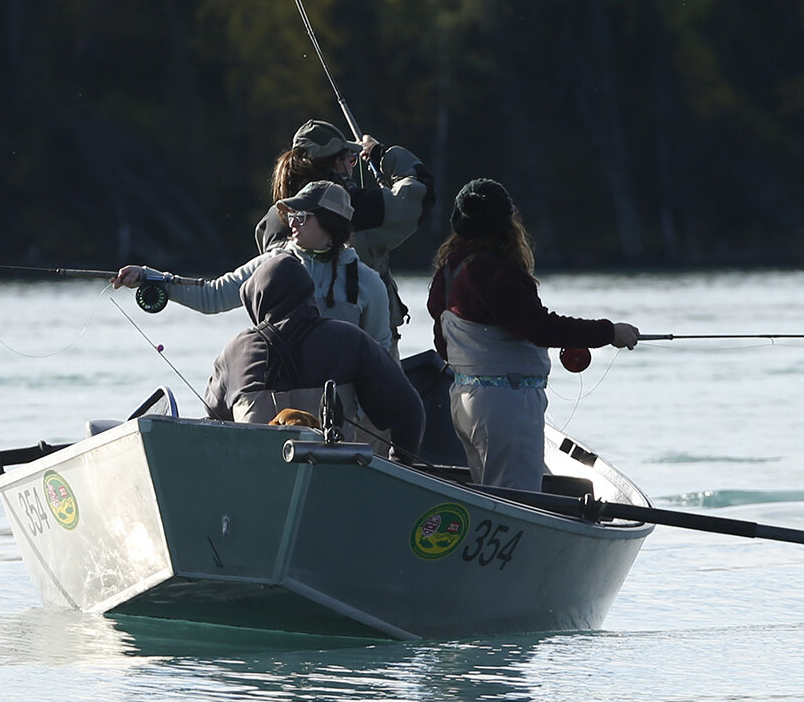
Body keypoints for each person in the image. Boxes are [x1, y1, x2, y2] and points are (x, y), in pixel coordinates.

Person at [427, 178, 640, 491]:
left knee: (490, 495)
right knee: (518, 501)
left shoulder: (448, 272)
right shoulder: (494, 273)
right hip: (505, 408)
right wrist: (609, 331)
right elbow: (539, 327)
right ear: (506, 223)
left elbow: (443, 345)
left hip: (465, 403)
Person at [115, 181, 391, 348]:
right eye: (291, 215)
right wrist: (150, 277)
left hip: (342, 410)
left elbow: (380, 349)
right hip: (282, 400)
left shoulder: (368, 282)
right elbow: (211, 296)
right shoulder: (272, 263)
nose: (292, 223)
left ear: (331, 222)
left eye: (302, 216)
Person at [203, 256, 424, 458]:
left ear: (256, 300)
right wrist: (399, 465)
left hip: (254, 483)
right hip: (335, 481)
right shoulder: (349, 339)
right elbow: (410, 412)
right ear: (308, 293)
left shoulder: (234, 351)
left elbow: (212, 424)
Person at [257, 119, 428, 347]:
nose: (351, 167)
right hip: (367, 346)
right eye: (350, 160)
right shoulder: (362, 208)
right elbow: (421, 192)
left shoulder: (272, 219)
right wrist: (381, 155)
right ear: (337, 164)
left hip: (291, 348)